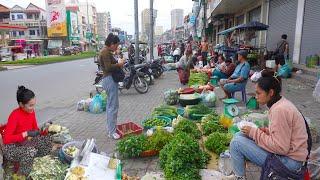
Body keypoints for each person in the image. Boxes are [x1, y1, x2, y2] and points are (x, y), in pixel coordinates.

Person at [229, 69, 308, 179]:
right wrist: (268, 132)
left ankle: (239, 177)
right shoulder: (281, 103)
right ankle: (239, 174)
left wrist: (255, 133)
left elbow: (281, 148)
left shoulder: (279, 110)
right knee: (240, 135)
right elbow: (284, 135)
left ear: (270, 92)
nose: (256, 96)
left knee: (236, 143)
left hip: (291, 162)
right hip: (289, 155)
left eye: (258, 93)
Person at [2, 86, 52, 175]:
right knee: (30, 151)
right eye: (30, 105)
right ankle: (22, 174)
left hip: (24, 142)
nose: (33, 108)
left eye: (34, 104)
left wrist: (45, 130)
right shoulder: (14, 115)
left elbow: (36, 129)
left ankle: (31, 160)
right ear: (21, 104)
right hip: (11, 147)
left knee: (48, 139)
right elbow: (6, 139)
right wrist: (26, 133)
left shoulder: (31, 112)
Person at [99, 33, 125, 140]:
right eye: (116, 45)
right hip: (109, 80)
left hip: (109, 80)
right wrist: (119, 64)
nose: (117, 47)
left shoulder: (107, 52)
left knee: (111, 106)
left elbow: (111, 63)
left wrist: (118, 59)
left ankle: (110, 129)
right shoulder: (105, 52)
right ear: (112, 44)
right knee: (113, 107)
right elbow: (108, 67)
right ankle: (112, 131)